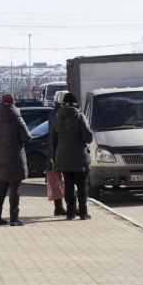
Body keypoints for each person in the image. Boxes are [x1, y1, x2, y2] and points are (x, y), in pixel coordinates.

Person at [0, 94, 31, 226]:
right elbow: (27, 138)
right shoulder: (17, 118)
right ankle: (14, 217)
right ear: (13, 103)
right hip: (14, 157)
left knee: (2, 187)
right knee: (14, 187)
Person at [50, 92, 94, 220]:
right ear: (75, 104)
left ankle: (70, 213)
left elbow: (52, 139)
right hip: (80, 157)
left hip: (63, 157)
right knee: (81, 185)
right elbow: (89, 137)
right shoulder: (79, 116)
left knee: (68, 185)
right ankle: (83, 213)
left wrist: (54, 158)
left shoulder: (57, 117)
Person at [45, 90, 73, 216]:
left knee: (59, 180)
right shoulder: (60, 113)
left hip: (56, 150)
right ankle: (66, 207)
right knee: (65, 180)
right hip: (61, 151)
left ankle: (60, 207)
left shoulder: (53, 112)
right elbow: (54, 135)